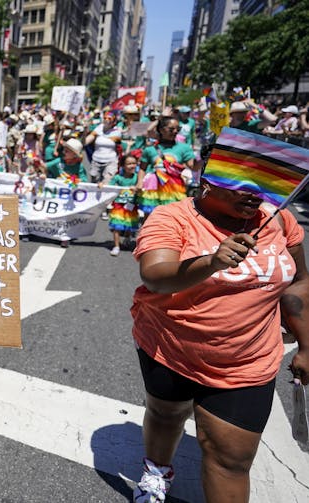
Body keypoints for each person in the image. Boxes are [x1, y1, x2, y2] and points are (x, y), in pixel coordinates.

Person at [130, 173, 309, 502]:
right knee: (166, 414)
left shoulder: (280, 219)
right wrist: (212, 262)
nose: (255, 195)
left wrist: (307, 344)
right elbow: (155, 277)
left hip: (248, 362)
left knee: (231, 460)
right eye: (242, 185)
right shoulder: (172, 217)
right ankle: (156, 471)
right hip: (169, 348)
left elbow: (299, 282)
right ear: (207, 181)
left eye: (261, 185)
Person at [138, 117, 195, 216]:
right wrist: (139, 183)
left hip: (174, 189)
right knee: (150, 219)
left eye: (178, 129)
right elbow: (142, 168)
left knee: (172, 219)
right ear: (161, 129)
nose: (175, 131)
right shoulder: (150, 149)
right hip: (153, 190)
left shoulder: (184, 148)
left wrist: (203, 157)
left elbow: (193, 166)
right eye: (171, 129)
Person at [104, 153, 139, 256]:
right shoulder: (118, 178)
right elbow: (109, 186)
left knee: (129, 224)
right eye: (129, 164)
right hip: (118, 206)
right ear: (123, 166)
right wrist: (102, 184)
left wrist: (137, 188)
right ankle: (116, 246)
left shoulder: (137, 177)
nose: (132, 165)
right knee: (117, 227)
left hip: (131, 205)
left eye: (134, 163)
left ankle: (127, 238)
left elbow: (143, 187)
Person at [85, 112, 122, 184]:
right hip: (96, 161)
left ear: (114, 121)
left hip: (110, 161)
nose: (106, 120)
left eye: (109, 118)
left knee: (107, 183)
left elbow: (120, 146)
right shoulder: (99, 128)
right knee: (95, 184)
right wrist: (85, 132)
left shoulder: (117, 132)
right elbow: (85, 142)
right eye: (105, 118)